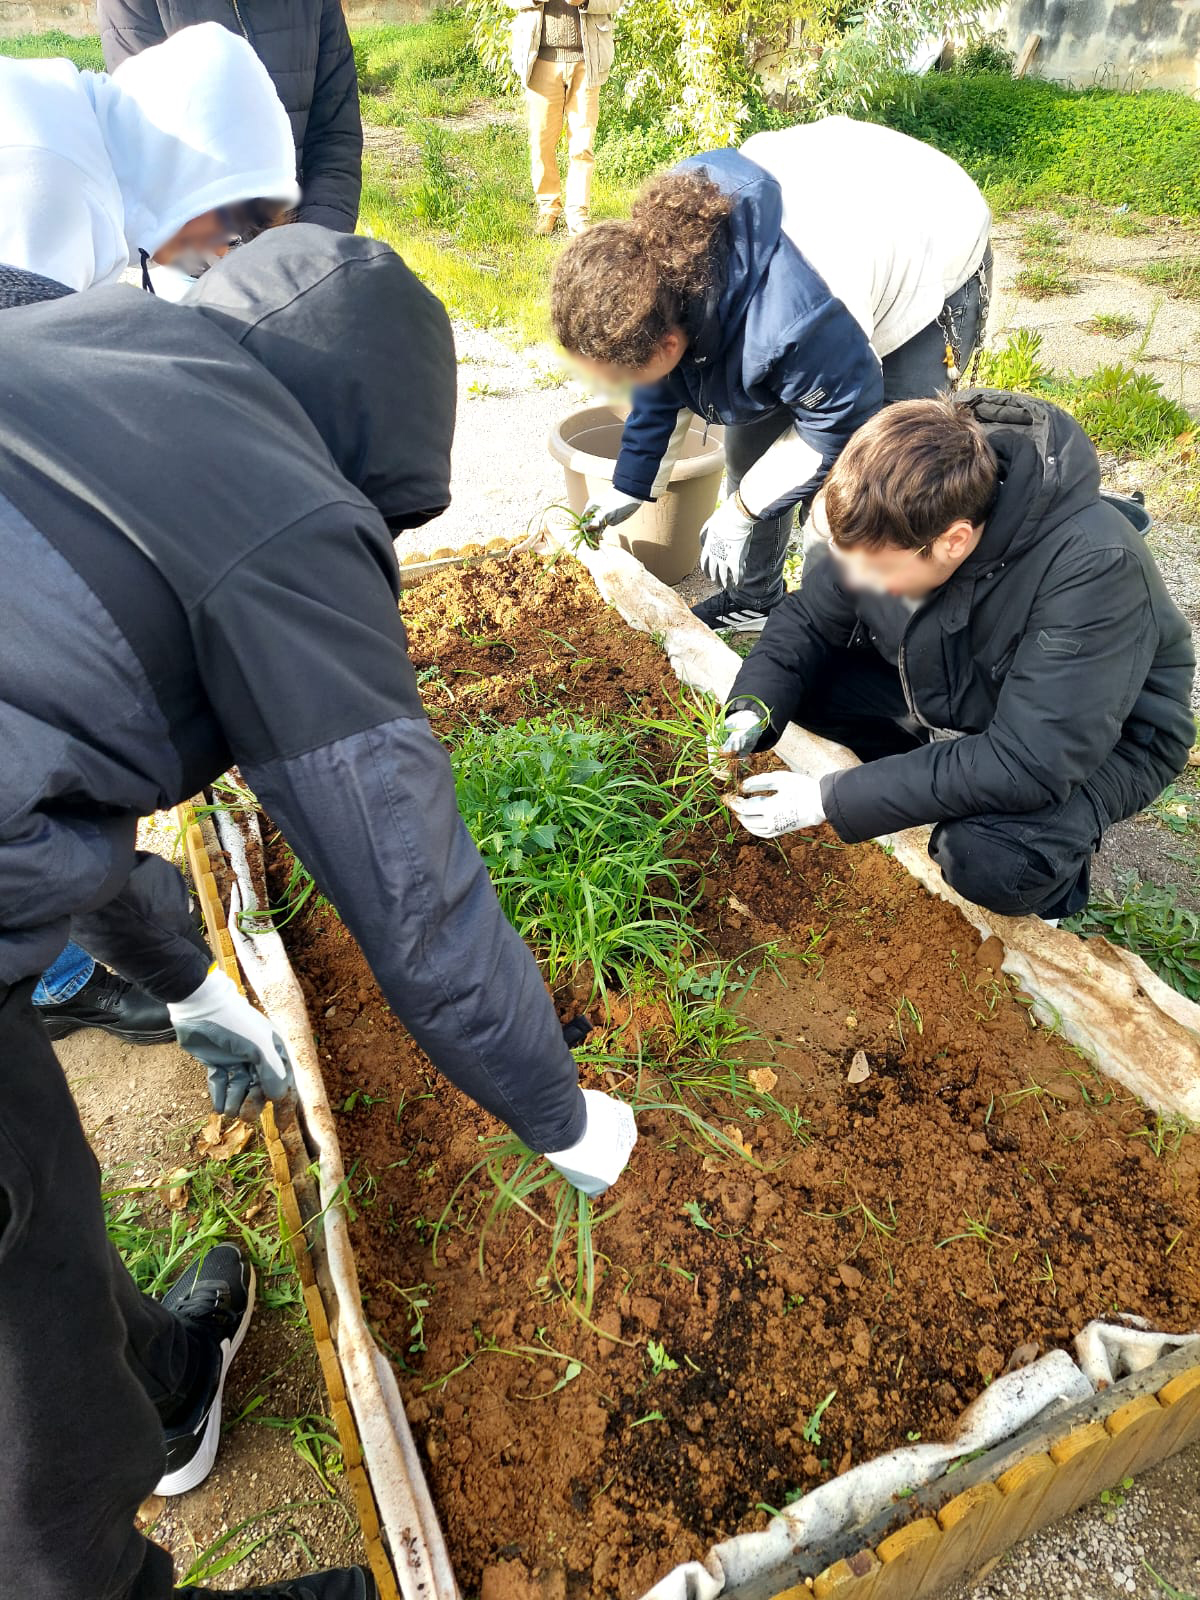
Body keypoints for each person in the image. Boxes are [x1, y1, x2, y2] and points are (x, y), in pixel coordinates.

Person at [0, 230, 635, 1600]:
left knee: (35, 1192)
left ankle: (167, 1390)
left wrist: (183, 975)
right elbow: (419, 907)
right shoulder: (281, 510)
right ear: (365, 442)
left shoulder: (82, 352)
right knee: (16, 1454)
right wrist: (566, 1116)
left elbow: (41, 760)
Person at [717, 392, 1195, 922]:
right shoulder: (896, 510)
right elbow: (808, 617)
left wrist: (831, 800)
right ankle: (904, 775)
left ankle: (1054, 892)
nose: (854, 580)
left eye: (874, 570)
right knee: (807, 684)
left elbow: (1028, 761)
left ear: (953, 541)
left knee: (988, 857)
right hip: (983, 679)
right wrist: (752, 705)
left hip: (1110, 734)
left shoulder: (1096, 568)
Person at [551, 117, 992, 633]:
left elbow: (842, 422)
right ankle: (756, 599)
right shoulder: (663, 266)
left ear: (670, 343)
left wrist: (743, 509)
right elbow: (662, 377)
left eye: (622, 375)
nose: (622, 386)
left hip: (932, 234)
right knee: (749, 454)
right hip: (842, 218)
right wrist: (633, 482)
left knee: (863, 495)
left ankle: (836, 635)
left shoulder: (794, 319)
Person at [0, 22, 299, 294]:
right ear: (192, 179)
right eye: (229, 229)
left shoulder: (64, 110)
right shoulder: (56, 198)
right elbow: (26, 347)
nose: (218, 253)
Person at [98, 0, 363, 235]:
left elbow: (335, 134)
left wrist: (313, 245)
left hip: (302, 238)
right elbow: (151, 150)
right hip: (198, 255)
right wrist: (226, 265)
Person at [507, 0, 625, 236]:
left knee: (582, 145)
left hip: (587, 61)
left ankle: (578, 214)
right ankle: (548, 209)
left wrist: (587, 1)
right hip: (541, 60)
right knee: (542, 142)